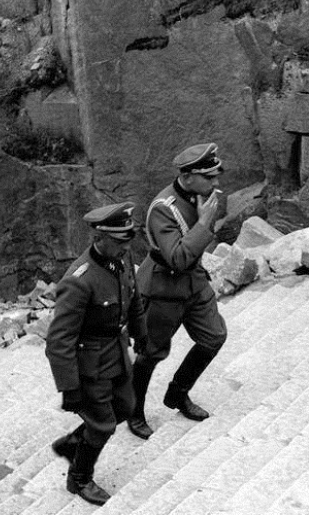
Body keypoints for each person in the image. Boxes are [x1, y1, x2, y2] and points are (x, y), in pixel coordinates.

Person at [45, 202, 147, 506]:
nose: (126, 246)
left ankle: (73, 443)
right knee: (102, 424)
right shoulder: (79, 280)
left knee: (126, 407)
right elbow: (58, 340)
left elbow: (134, 297)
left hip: (116, 350)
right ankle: (79, 479)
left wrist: (141, 335)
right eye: (119, 241)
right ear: (98, 238)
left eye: (128, 239)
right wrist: (70, 388)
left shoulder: (121, 258)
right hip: (89, 363)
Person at [127, 142, 227, 440]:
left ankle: (177, 393)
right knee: (151, 353)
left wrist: (208, 220)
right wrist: (205, 223)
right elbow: (178, 258)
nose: (216, 183)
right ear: (188, 176)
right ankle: (133, 410)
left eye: (215, 176)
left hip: (194, 282)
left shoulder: (207, 195)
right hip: (162, 288)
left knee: (214, 337)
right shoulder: (163, 209)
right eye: (209, 177)